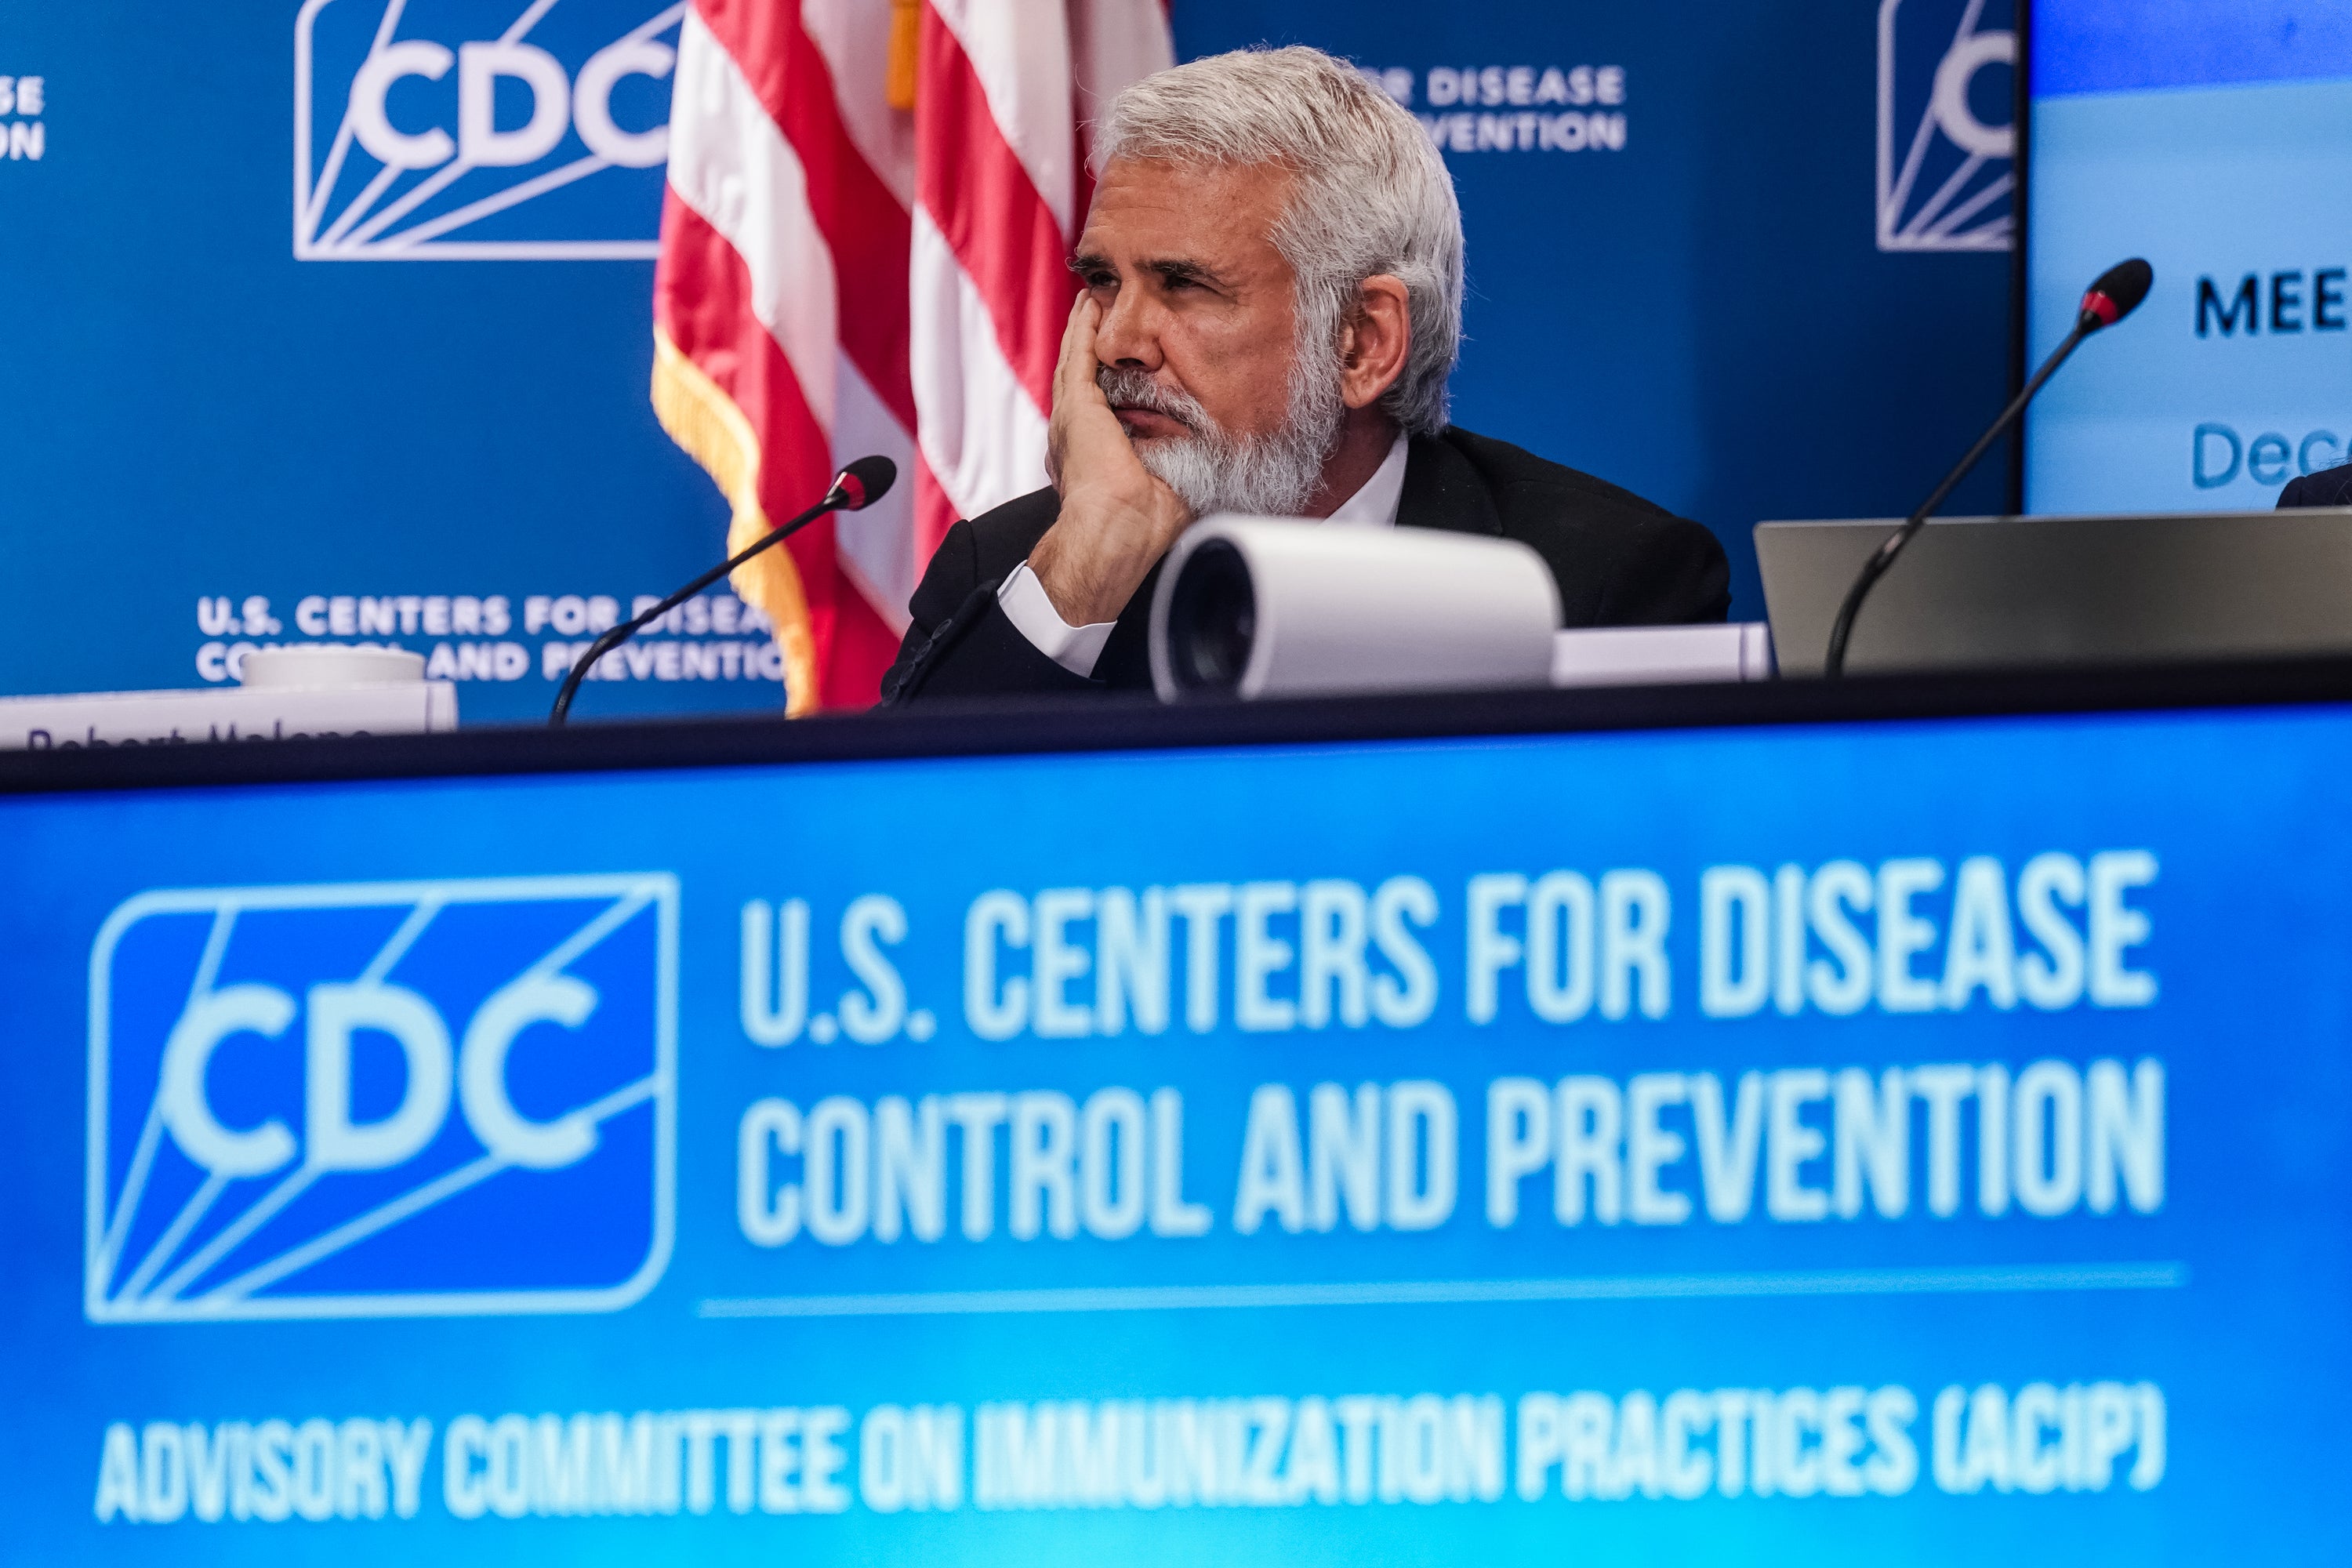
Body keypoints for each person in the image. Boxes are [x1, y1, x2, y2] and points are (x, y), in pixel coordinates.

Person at [880, 45, 1728, 705]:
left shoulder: (1600, 579)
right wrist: (1087, 567)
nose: (1119, 341)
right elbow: (897, 852)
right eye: (1104, 282)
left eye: (1183, 284)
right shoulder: (1013, 571)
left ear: (1361, 343)